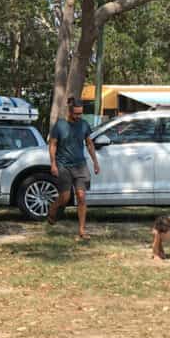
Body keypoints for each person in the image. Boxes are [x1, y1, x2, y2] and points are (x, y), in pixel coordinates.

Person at [47, 97, 100, 239]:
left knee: (81, 197)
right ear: (70, 112)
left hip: (80, 165)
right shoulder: (60, 125)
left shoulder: (83, 125)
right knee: (65, 198)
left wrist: (95, 162)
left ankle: (82, 230)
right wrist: (53, 163)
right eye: (76, 113)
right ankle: (53, 209)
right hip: (63, 165)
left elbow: (89, 144)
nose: (78, 116)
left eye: (80, 113)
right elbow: (52, 145)